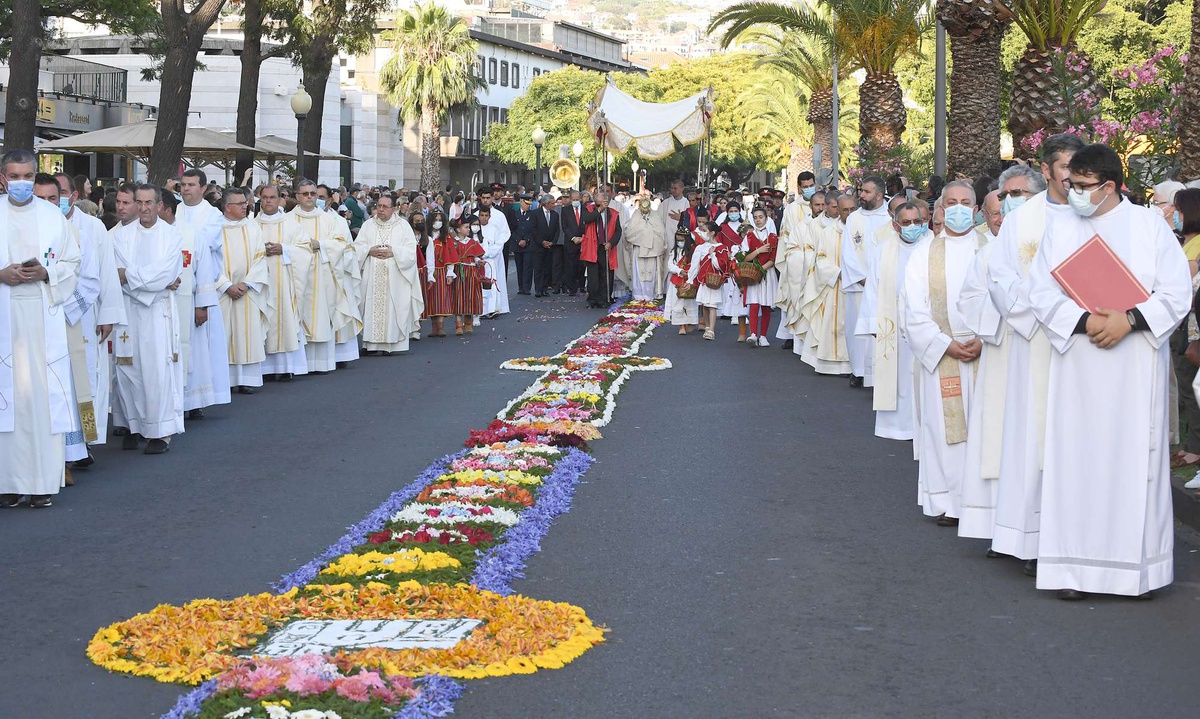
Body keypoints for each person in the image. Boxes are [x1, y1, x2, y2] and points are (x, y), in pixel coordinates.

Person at [1028, 144, 1190, 600]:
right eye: (1069, 185)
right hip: (1079, 363)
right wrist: (1086, 322)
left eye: (1082, 187)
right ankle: (1072, 571)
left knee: (1132, 460)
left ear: (1111, 186)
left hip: (1135, 363)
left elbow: (1175, 293)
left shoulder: (1148, 227)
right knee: (1075, 458)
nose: (1073, 194)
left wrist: (1129, 320)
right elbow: (1039, 292)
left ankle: (1135, 572)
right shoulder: (1059, 228)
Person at [985, 138, 1076, 569]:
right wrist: (1046, 312)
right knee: (1034, 437)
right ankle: (1033, 538)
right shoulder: (1024, 221)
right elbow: (1000, 280)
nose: (1072, 174)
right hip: (1036, 340)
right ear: (1048, 168)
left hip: (1086, 343)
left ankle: (1076, 537)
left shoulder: (1096, 214)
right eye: (1064, 166)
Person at [0, 150, 83, 507]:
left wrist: (47, 272)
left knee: (40, 400)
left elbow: (72, 262)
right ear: (3, 178)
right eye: (13, 176)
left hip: (42, 315)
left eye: (27, 177)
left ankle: (41, 484)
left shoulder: (53, 216)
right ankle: (7, 484)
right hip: (4, 315)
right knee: (9, 401)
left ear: (35, 178)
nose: (20, 183)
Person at [900, 179, 985, 527]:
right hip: (943, 351)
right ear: (939, 210)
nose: (959, 208)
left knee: (987, 427)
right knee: (946, 431)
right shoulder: (924, 253)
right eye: (952, 202)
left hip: (987, 350)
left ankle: (985, 507)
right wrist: (945, 344)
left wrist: (985, 337)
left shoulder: (992, 249)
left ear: (977, 210)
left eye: (966, 202)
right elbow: (913, 309)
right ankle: (950, 502)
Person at [111, 185, 185, 456]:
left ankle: (159, 432)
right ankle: (134, 426)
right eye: (138, 202)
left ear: (158, 205)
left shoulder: (171, 235)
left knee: (156, 371)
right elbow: (116, 273)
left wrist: (132, 277)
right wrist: (145, 282)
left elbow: (166, 273)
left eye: (148, 203)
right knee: (128, 370)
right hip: (129, 311)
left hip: (157, 313)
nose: (143, 208)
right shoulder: (121, 236)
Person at [857, 202, 929, 442]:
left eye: (916, 222)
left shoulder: (933, 246)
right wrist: (874, 325)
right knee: (898, 379)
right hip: (894, 327)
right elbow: (873, 290)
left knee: (924, 377)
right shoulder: (883, 250)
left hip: (927, 326)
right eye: (906, 223)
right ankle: (898, 427)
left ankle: (926, 427)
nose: (912, 227)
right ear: (896, 225)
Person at [177, 169, 231, 419]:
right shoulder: (174, 210)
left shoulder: (213, 215)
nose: (185, 189)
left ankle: (197, 398)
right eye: (183, 184)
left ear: (202, 188)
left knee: (199, 347)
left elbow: (204, 244)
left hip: (201, 284)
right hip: (177, 285)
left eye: (190, 185)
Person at [289, 180, 355, 373]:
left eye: (313, 194)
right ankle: (299, 364)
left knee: (322, 315)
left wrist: (321, 245)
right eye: (306, 194)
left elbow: (341, 244)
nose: (310, 197)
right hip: (297, 278)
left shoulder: (329, 220)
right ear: (297, 196)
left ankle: (321, 362)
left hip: (323, 276)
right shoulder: (288, 220)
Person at [353, 192, 423, 353]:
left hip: (395, 276)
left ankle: (392, 343)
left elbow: (411, 251)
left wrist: (394, 252)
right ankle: (369, 344)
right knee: (370, 305)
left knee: (394, 307)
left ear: (393, 209)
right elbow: (357, 247)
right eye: (379, 206)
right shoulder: (368, 225)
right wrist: (368, 250)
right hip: (372, 275)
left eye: (385, 207)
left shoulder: (403, 226)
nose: (381, 209)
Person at [255, 184, 311, 381]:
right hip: (261, 283)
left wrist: (284, 249)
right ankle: (263, 368)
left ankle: (287, 366)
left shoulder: (291, 224)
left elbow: (305, 250)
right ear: (260, 199)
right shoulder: (252, 225)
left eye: (272, 197)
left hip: (285, 282)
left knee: (285, 318)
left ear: (280, 200)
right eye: (264, 198)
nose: (268, 201)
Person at [217, 187, 270, 394]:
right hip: (221, 291)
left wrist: (246, 283)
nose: (245, 206)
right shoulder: (213, 227)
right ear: (227, 207)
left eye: (245, 203)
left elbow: (260, 258)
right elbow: (208, 262)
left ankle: (247, 378)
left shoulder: (253, 228)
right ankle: (224, 380)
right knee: (224, 333)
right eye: (240, 204)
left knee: (246, 333)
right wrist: (225, 285)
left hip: (247, 290)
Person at [841, 176, 890, 388]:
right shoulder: (854, 219)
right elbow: (847, 253)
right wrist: (862, 279)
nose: (861, 195)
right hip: (859, 285)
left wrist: (881, 281)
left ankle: (881, 373)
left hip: (884, 285)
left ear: (879, 195)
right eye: (861, 190)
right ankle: (858, 370)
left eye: (867, 192)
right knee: (858, 329)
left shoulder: (891, 216)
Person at [798, 194, 853, 374]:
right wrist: (837, 273)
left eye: (853, 209)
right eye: (844, 209)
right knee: (833, 323)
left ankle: (857, 366)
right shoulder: (829, 233)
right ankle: (832, 364)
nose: (849, 213)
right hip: (835, 285)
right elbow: (819, 259)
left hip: (860, 287)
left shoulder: (864, 231)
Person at [618, 193, 668, 302]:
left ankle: (650, 295)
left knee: (652, 272)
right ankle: (639, 295)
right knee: (638, 272)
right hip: (638, 249)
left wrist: (649, 233)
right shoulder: (636, 214)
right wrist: (642, 234)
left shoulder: (655, 215)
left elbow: (661, 232)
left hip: (653, 249)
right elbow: (630, 231)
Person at [741, 207, 779, 347]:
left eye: (760, 217)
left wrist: (761, 270)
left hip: (767, 274)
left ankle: (763, 335)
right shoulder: (749, 237)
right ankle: (752, 334)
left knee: (766, 304)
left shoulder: (773, 237)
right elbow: (745, 257)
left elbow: (773, 259)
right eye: (755, 217)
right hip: (752, 274)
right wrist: (758, 251)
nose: (758, 220)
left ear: (766, 218)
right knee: (754, 303)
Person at [688, 221, 731, 341]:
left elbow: (721, 266)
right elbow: (694, 265)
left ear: (712, 233)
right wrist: (690, 280)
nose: (702, 233)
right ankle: (707, 327)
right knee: (704, 305)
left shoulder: (721, 248)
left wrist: (712, 255)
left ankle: (711, 330)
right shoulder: (700, 248)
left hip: (715, 281)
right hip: (704, 281)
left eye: (704, 230)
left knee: (712, 306)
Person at [581, 192, 622, 308]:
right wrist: (598, 210)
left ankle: (604, 298)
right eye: (598, 204)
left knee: (606, 275)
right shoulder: (589, 209)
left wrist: (611, 243)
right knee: (593, 276)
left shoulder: (613, 213)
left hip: (606, 247)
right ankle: (592, 299)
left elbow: (618, 231)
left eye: (603, 204)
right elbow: (587, 219)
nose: (601, 206)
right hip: (592, 247)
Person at [450, 216, 486, 335]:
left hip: (471, 272)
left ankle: (468, 322)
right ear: (458, 229)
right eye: (466, 227)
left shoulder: (471, 242)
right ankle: (459, 325)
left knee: (470, 296)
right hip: (459, 271)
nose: (469, 229)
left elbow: (474, 256)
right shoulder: (453, 242)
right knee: (458, 296)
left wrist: (478, 261)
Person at [424, 210, 457, 337]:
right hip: (429, 270)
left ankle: (441, 326)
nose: (437, 223)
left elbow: (450, 254)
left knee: (442, 298)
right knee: (431, 298)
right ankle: (433, 328)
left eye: (440, 220)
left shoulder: (446, 237)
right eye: (435, 220)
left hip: (442, 270)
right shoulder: (426, 236)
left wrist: (450, 272)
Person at [478, 206, 511, 317]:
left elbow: (499, 244)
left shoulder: (494, 229)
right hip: (478, 261)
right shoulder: (475, 229)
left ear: (489, 216)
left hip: (491, 260)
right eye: (482, 215)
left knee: (491, 284)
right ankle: (480, 309)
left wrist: (487, 254)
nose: (484, 218)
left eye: (486, 215)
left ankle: (492, 308)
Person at [665, 225, 698, 333]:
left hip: (689, 279)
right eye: (678, 240)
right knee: (677, 303)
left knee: (689, 303)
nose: (680, 242)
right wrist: (679, 271)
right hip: (676, 280)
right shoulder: (674, 251)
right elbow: (670, 265)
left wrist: (688, 272)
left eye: (682, 240)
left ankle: (690, 322)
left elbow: (695, 264)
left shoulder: (693, 251)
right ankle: (681, 326)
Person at [557, 191, 585, 297]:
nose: (575, 201)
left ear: (580, 199)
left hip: (583, 241)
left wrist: (582, 237)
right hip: (571, 242)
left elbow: (587, 224)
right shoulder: (565, 210)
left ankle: (581, 286)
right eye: (573, 199)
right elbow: (565, 226)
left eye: (577, 199)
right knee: (570, 266)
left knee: (582, 265)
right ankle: (572, 288)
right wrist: (573, 238)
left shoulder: (586, 208)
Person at [532, 193, 559, 297]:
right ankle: (538, 289)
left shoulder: (555, 215)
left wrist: (553, 242)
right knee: (538, 268)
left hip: (550, 246)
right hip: (538, 246)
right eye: (552, 203)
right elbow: (533, 230)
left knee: (547, 268)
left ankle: (545, 288)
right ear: (546, 204)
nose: (554, 205)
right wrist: (542, 242)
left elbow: (557, 230)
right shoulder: (535, 214)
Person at [511, 194, 536, 295]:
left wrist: (526, 240)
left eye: (529, 204)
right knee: (519, 266)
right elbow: (512, 229)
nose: (528, 206)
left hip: (528, 245)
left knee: (528, 267)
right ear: (521, 202)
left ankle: (527, 287)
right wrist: (518, 240)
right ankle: (521, 287)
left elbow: (533, 229)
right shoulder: (515, 214)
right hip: (517, 245)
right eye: (526, 204)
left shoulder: (532, 215)